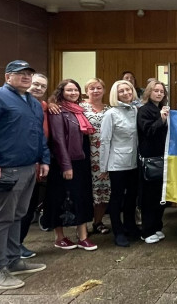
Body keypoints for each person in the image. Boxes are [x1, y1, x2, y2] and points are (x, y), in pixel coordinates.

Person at [0, 60, 50, 290]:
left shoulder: (33, 103)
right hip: (5, 169)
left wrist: (43, 159)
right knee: (1, 219)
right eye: (20, 74)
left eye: (29, 74)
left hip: (28, 167)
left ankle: (14, 260)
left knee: (18, 215)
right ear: (8, 77)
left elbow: (38, 135)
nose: (26, 77)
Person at [45, 79, 97, 251]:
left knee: (81, 196)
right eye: (69, 90)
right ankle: (60, 237)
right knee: (61, 198)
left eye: (75, 90)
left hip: (81, 160)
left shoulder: (78, 110)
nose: (73, 93)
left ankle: (82, 236)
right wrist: (66, 165)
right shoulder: (57, 110)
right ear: (61, 92)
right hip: (64, 162)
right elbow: (59, 140)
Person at [98, 80, 139, 247]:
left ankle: (130, 226)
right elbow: (105, 141)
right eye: (121, 91)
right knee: (117, 197)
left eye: (128, 89)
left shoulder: (135, 110)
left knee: (132, 197)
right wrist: (103, 166)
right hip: (117, 163)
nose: (126, 93)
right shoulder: (111, 113)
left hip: (134, 161)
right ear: (116, 94)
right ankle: (118, 231)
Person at [17, 73, 50, 259]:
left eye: (42, 86)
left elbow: (41, 138)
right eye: (35, 84)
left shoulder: (42, 106)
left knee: (28, 208)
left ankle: (18, 243)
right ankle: (7, 250)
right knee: (14, 210)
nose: (38, 88)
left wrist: (44, 160)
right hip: (16, 165)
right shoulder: (13, 103)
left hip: (36, 165)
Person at [137, 80, 171, 243]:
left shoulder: (162, 109)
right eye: (156, 90)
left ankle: (157, 227)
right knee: (149, 197)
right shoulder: (144, 110)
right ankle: (147, 230)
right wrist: (162, 120)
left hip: (163, 158)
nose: (159, 93)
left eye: (162, 91)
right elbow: (148, 131)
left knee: (160, 195)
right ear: (149, 92)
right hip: (150, 159)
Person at [79, 78, 112, 236]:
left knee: (103, 191)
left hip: (105, 156)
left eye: (99, 88)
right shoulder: (79, 108)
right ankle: (82, 227)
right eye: (92, 88)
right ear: (86, 91)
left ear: (104, 90)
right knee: (85, 192)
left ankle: (98, 222)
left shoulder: (109, 108)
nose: (96, 91)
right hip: (85, 155)